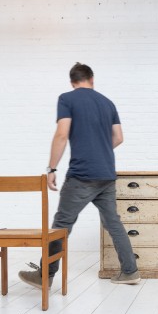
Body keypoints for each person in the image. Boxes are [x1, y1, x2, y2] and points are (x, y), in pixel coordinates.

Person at [18, 62, 140, 287]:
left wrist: (51, 169)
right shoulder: (107, 102)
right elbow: (119, 137)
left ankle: (45, 276)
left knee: (61, 225)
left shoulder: (67, 99)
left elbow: (62, 134)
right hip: (106, 175)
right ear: (91, 80)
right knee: (113, 223)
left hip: (81, 175)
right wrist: (100, 152)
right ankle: (130, 271)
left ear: (72, 81)